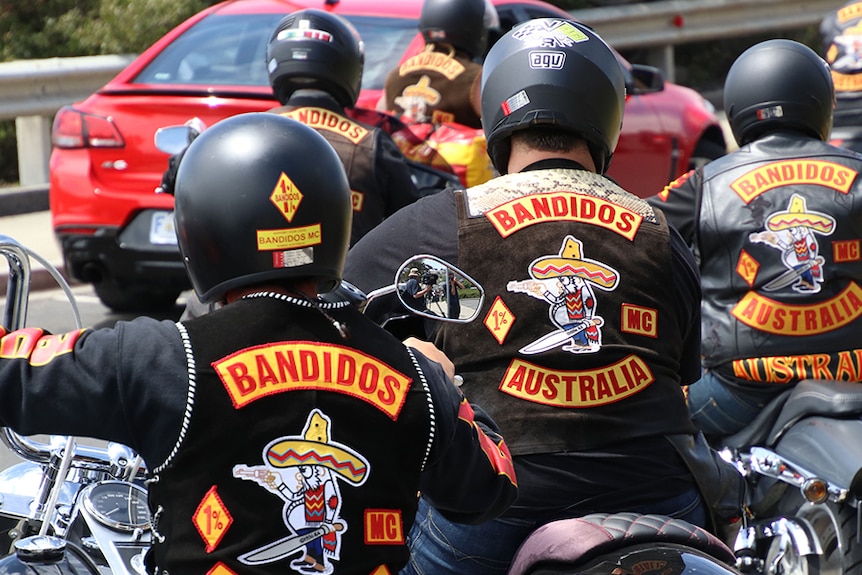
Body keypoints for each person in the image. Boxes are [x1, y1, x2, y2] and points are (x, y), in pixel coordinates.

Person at [0, 113, 517, 575]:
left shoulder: (161, 359)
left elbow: (14, 373)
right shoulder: (416, 381)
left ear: (200, 231)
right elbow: (492, 486)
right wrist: (445, 385)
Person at [345, 18, 734, 575]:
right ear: (607, 114)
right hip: (658, 499)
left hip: (498, 508)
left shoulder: (439, 224)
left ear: (496, 113)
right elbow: (682, 377)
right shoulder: (657, 231)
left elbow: (339, 313)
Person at [649, 38, 862, 438]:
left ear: (736, 108)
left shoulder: (707, 183)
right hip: (853, 372)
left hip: (741, 387)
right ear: (819, 103)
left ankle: (711, 501)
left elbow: (630, 229)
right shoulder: (858, 170)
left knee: (650, 440)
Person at [267, 8, 423, 246]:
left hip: (259, 282)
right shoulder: (371, 144)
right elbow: (411, 227)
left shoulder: (245, 133)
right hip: (348, 281)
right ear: (349, 65)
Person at [382, 0, 497, 129]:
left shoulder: (396, 74)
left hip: (401, 147)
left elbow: (382, 120)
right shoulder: (477, 78)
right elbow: (499, 128)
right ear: (474, 27)